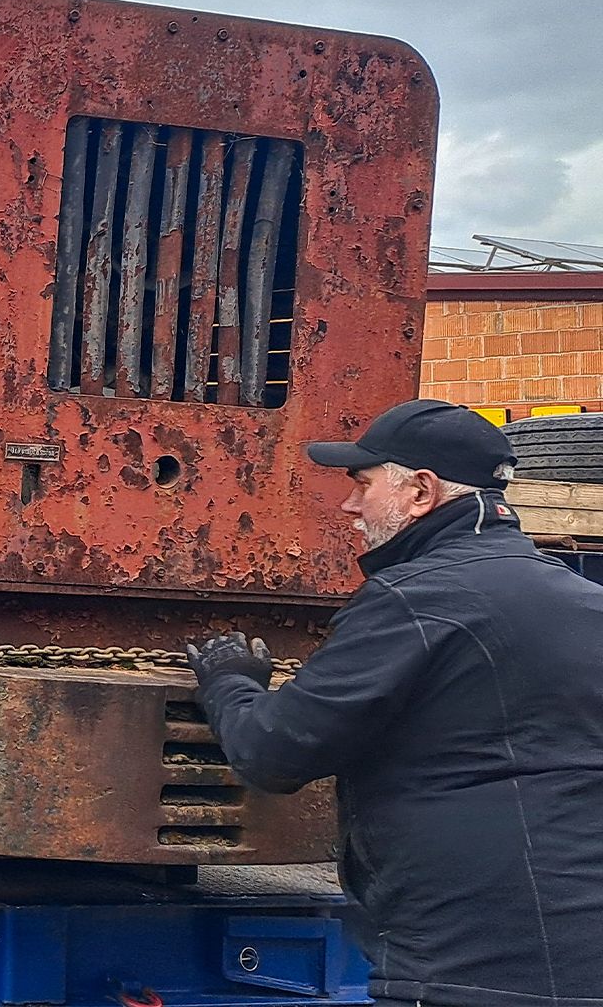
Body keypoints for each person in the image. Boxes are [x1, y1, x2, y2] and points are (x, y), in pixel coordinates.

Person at [186, 399, 603, 1006]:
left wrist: (230, 681)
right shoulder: (583, 600)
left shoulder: (415, 599)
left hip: (471, 964)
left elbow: (273, 751)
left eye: (362, 483)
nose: (350, 506)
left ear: (421, 492)